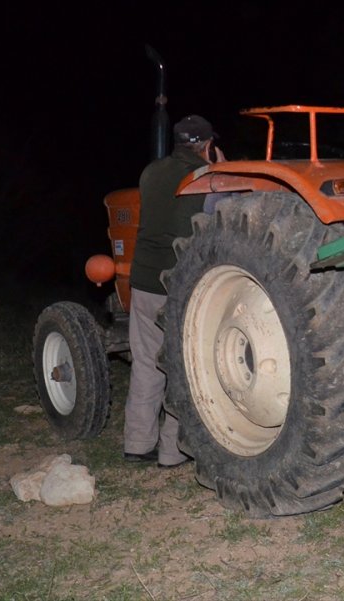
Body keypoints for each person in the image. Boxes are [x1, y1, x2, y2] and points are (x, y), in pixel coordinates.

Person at [124, 114, 223, 468]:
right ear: (207, 145)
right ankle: (172, 451)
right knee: (182, 367)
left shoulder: (150, 172)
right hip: (179, 284)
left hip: (143, 279)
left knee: (146, 363)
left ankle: (137, 443)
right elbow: (220, 215)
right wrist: (221, 170)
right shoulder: (207, 178)